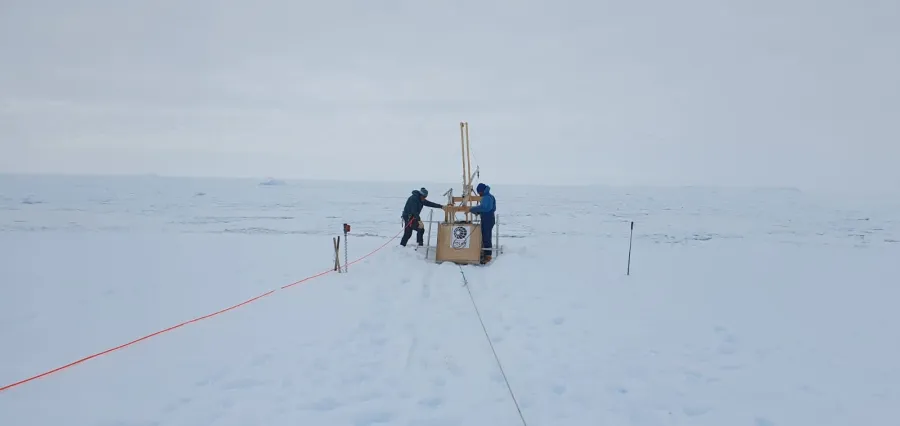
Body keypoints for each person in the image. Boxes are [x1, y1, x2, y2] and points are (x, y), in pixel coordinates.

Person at [466, 183, 497, 263]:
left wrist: (473, 209)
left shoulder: (487, 197)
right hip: (488, 218)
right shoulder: (490, 196)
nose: (479, 194)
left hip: (488, 219)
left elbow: (484, 208)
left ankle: (488, 256)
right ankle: (485, 253)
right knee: (485, 236)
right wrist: (479, 212)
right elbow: (489, 208)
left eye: (479, 192)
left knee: (486, 237)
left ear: (482, 191)